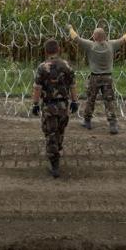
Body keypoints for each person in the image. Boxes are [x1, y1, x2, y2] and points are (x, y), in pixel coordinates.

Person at [67, 25, 126, 134]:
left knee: (90, 100)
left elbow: (76, 38)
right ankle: (112, 124)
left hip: (95, 77)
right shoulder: (111, 45)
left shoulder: (90, 46)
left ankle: (87, 121)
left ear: (95, 36)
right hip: (107, 77)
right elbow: (124, 38)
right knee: (109, 101)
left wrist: (70, 28)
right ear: (104, 36)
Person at [32, 39, 79, 178]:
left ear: (46, 51)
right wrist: (75, 101)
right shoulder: (67, 66)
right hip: (63, 105)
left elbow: (37, 88)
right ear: (58, 50)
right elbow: (73, 86)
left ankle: (54, 163)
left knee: (51, 133)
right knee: (60, 131)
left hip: (49, 105)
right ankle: (56, 150)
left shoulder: (42, 67)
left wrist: (35, 104)